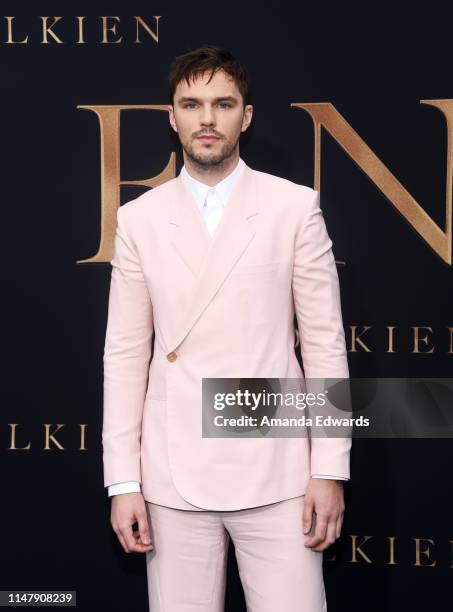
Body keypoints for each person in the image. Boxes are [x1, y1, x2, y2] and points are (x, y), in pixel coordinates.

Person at [102, 45, 351, 612]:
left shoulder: (294, 208)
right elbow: (124, 356)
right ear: (172, 117)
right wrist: (123, 482)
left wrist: (329, 468)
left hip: (279, 476)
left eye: (223, 103)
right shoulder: (139, 219)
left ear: (246, 115)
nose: (207, 118)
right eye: (191, 104)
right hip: (171, 476)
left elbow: (323, 346)